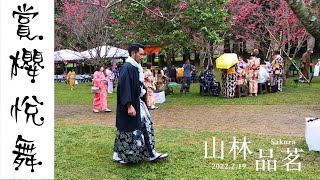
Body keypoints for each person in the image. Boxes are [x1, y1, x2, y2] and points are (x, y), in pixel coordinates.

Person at [113, 43, 168, 164]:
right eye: (141, 54)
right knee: (128, 129)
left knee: (141, 126)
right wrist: (129, 105)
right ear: (133, 53)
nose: (142, 57)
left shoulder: (135, 67)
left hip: (137, 103)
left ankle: (150, 152)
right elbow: (124, 87)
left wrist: (143, 93)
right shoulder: (127, 68)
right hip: (130, 104)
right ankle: (123, 154)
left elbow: (136, 85)